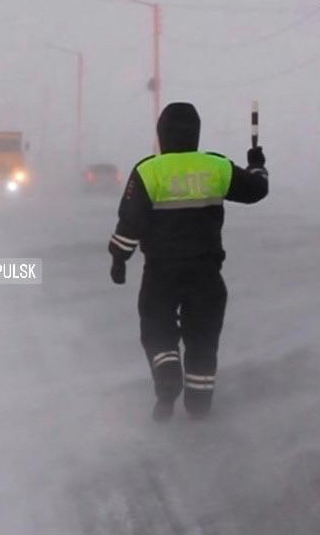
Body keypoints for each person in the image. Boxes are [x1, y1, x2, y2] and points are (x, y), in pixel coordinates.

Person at [108, 102, 268, 422]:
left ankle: (167, 374)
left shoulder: (148, 171)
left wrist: (119, 257)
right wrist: (256, 164)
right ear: (196, 133)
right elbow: (256, 191)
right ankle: (199, 403)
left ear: (161, 134)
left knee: (156, 326)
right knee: (203, 337)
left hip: (160, 272)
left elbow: (130, 222)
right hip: (206, 272)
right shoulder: (217, 167)